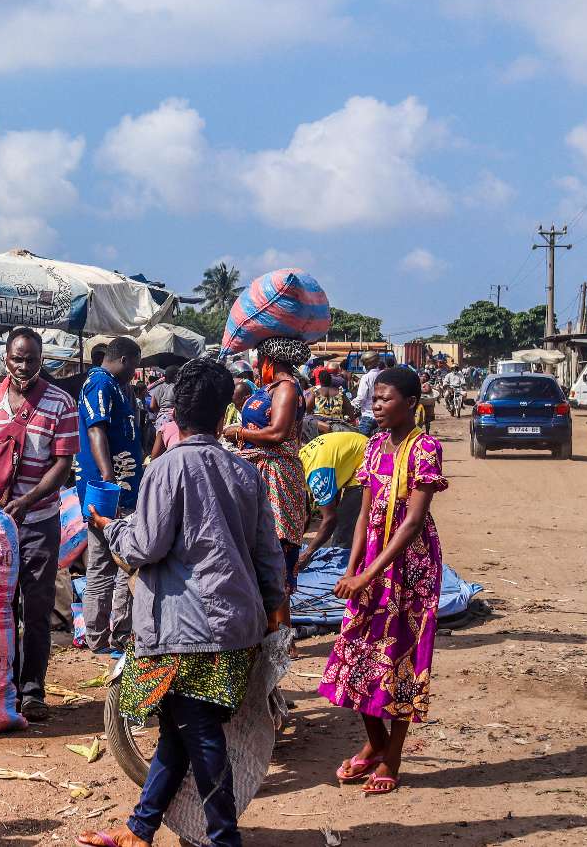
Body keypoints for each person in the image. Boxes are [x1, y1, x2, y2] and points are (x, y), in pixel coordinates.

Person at [79, 358, 285, 847]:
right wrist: (277, 613)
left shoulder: (164, 470)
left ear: (174, 417)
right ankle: (140, 829)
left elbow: (143, 547)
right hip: (234, 625)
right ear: (222, 418)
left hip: (181, 629)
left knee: (200, 733)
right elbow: (269, 555)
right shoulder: (246, 473)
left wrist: (110, 530)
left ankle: (222, 837)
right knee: (177, 731)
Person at [319, 365, 447, 796]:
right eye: (374, 398)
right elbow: (362, 518)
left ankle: (392, 757)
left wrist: (370, 574)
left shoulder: (425, 448)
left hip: (409, 568)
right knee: (357, 653)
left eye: (386, 398)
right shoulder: (372, 447)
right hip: (372, 560)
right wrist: (352, 570)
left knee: (401, 656)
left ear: (411, 403)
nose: (376, 404)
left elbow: (413, 522)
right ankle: (375, 743)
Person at [0, 326, 78, 723]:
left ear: (42, 361)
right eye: (17, 358)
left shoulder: (61, 403)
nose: (23, 366)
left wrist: (27, 501)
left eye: (32, 359)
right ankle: (3, 687)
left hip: (39, 521)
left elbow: (62, 465)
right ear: (4, 358)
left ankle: (32, 691)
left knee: (37, 608)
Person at [224, 337, 308, 603]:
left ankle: (280, 629)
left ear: (270, 360)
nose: (258, 368)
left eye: (259, 362)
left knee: (276, 542)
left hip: (277, 473)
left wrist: (238, 431)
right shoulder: (271, 387)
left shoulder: (287, 388)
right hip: (259, 468)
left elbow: (278, 433)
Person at [75, 334, 143, 657]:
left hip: (125, 490)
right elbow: (96, 430)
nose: (136, 373)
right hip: (109, 490)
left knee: (120, 561)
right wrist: (108, 479)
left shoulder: (119, 387)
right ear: (125, 360)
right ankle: (101, 637)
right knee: (108, 562)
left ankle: (116, 635)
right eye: (135, 367)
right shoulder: (98, 384)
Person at [296, 429, 369, 574]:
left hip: (365, 459)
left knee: (344, 524)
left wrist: (307, 554)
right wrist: (295, 546)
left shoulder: (316, 475)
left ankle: (342, 569)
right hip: (346, 458)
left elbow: (330, 520)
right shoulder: (297, 464)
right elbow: (305, 515)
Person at [353, 354, 383, 436]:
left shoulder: (366, 377)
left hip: (368, 416)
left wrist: (351, 404)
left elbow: (361, 397)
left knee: (362, 442)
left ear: (367, 364)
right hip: (383, 416)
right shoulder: (383, 374)